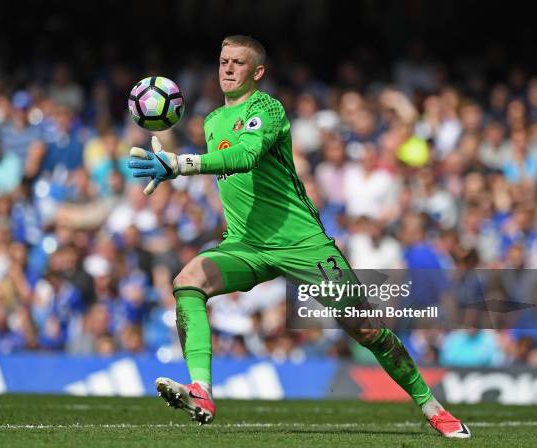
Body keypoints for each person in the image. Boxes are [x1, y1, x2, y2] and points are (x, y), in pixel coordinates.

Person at [128, 35, 470, 438]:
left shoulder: (267, 109)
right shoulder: (211, 120)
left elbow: (244, 157)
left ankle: (433, 408)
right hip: (246, 245)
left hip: (302, 244)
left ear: (257, 72)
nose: (228, 69)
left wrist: (181, 164)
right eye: (223, 61)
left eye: (238, 63)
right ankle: (201, 390)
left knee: (366, 328)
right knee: (187, 282)